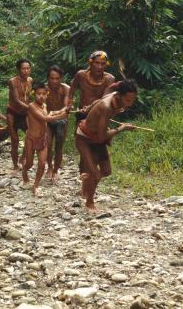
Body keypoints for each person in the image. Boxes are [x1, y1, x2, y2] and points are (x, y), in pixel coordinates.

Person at [75, 80, 138, 212]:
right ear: (120, 96)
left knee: (107, 171)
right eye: (127, 100)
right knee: (97, 174)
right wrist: (121, 128)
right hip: (84, 139)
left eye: (132, 100)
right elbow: (102, 137)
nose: (130, 104)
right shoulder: (107, 107)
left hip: (96, 139)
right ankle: (89, 202)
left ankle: (87, 180)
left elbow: (113, 85)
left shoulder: (114, 92)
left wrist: (125, 82)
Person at [22, 83, 68, 196]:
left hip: (42, 139)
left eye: (43, 94)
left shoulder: (44, 105)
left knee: (42, 164)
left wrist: (56, 112)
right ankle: (24, 172)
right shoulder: (31, 106)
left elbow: (47, 114)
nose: (41, 96)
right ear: (34, 94)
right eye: (38, 94)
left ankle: (35, 185)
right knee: (29, 164)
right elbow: (44, 118)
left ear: (47, 95)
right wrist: (61, 116)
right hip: (31, 139)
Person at [67, 50, 116, 125]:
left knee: (98, 136)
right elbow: (72, 89)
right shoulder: (81, 75)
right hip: (82, 113)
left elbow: (105, 100)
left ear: (106, 65)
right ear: (91, 63)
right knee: (79, 135)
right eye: (97, 63)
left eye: (103, 64)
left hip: (99, 114)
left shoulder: (110, 79)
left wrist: (90, 108)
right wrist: (69, 104)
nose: (99, 67)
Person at [45, 66, 70, 181]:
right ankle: (49, 167)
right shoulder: (43, 89)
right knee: (48, 144)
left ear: (61, 78)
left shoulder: (66, 89)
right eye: (52, 78)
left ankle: (56, 170)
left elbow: (66, 107)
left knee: (59, 147)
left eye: (57, 78)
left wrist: (57, 112)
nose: (54, 81)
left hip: (61, 120)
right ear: (48, 78)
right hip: (47, 120)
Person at [7, 59, 33, 171]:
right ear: (18, 70)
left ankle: (22, 157)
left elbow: (31, 97)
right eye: (23, 68)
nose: (26, 71)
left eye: (28, 68)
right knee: (15, 140)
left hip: (25, 113)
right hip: (12, 113)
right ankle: (15, 165)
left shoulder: (30, 80)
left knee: (30, 136)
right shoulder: (13, 81)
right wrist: (31, 108)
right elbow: (16, 100)